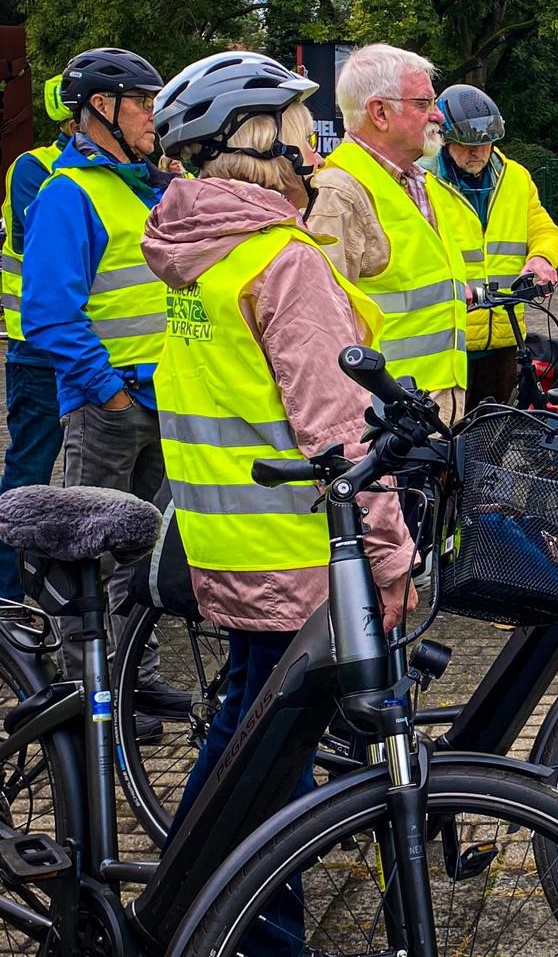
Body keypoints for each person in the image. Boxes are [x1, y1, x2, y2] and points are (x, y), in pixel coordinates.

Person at [145, 49, 416, 953]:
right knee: (271, 764)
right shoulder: (280, 263)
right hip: (299, 555)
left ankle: (186, 905)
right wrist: (392, 556)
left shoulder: (194, 255)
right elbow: (341, 436)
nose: (316, 156)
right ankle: (249, 932)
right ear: (265, 145)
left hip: (228, 547)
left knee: (246, 740)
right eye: (307, 139)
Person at [23, 47, 189, 725]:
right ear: (101, 107)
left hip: (160, 398)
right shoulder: (69, 193)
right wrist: (109, 392)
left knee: (142, 551)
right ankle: (87, 692)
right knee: (89, 550)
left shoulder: (139, 184)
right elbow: (48, 314)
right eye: (142, 102)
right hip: (108, 404)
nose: (154, 114)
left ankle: (134, 680)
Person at [305, 44, 473, 421]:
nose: (438, 116)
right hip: (386, 422)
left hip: (433, 410)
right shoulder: (340, 193)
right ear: (379, 112)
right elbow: (322, 329)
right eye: (423, 103)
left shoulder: (419, 182)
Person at [421, 84, 558, 409]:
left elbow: (544, 229)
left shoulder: (515, 177)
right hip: (447, 339)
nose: (478, 152)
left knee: (492, 437)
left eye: (485, 143)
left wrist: (542, 258)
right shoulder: (422, 182)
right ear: (443, 139)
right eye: (467, 144)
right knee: (445, 442)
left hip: (503, 335)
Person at [0, 74, 74, 603]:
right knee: (30, 471)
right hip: (38, 350)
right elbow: (53, 242)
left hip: (93, 351)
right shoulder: (35, 169)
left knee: (80, 479)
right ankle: (7, 593)